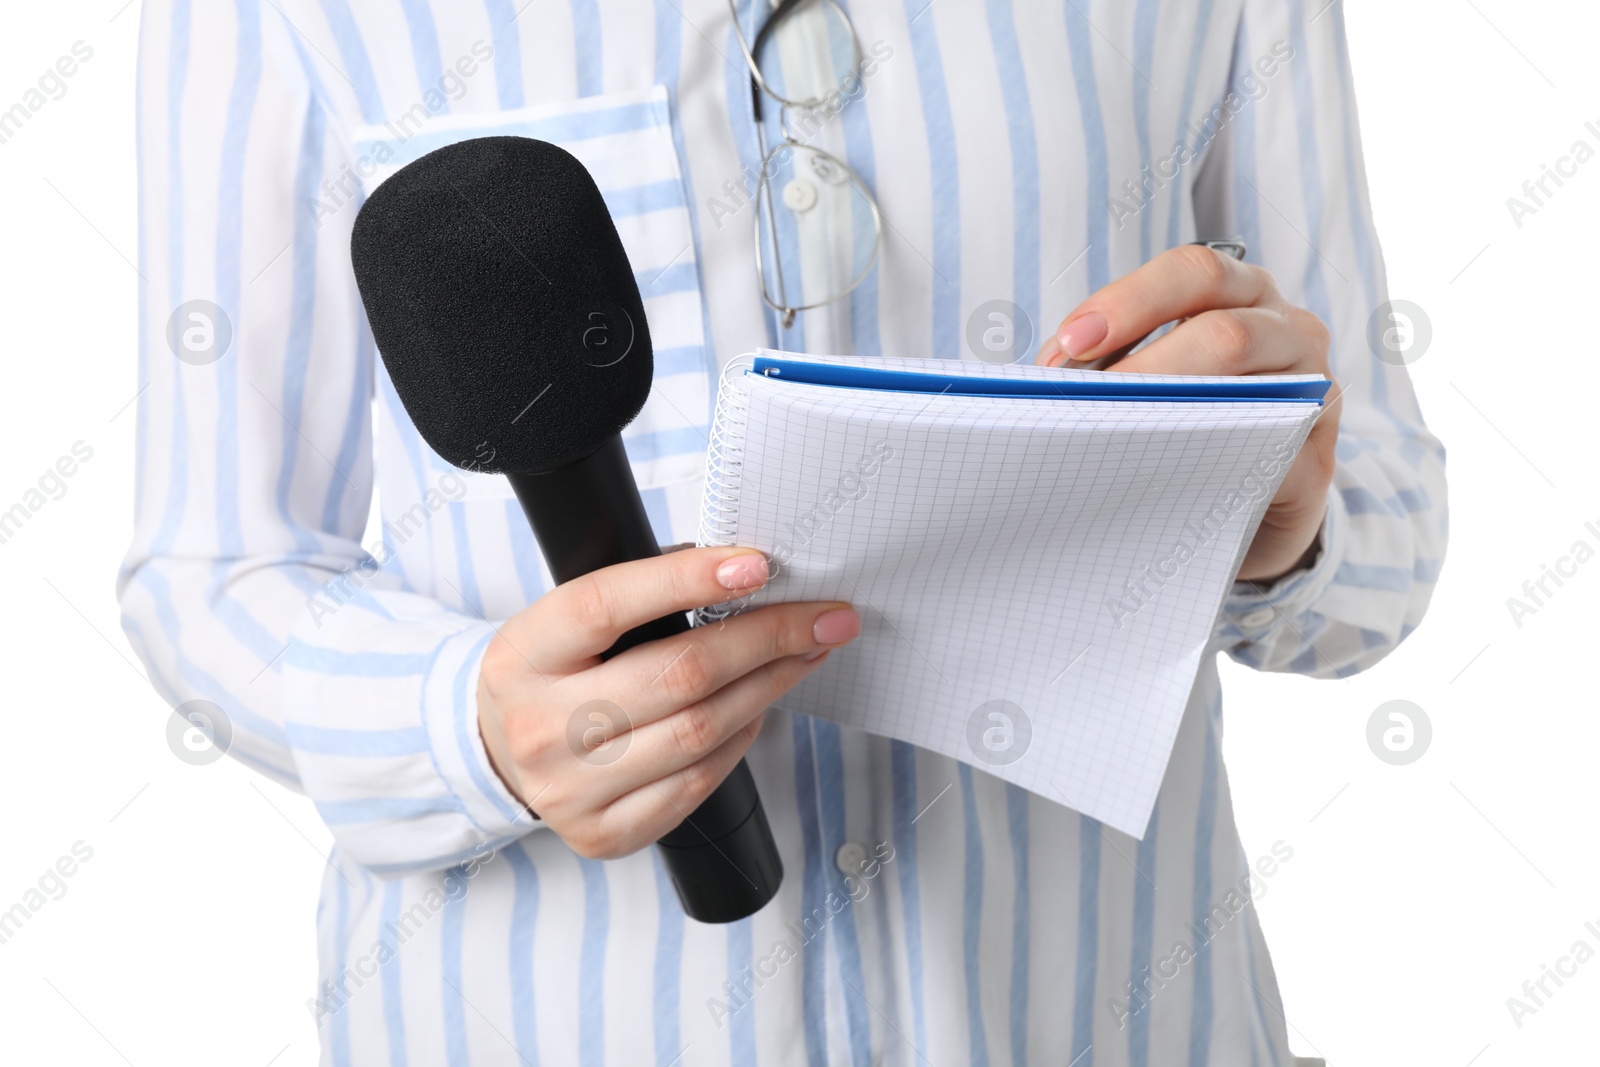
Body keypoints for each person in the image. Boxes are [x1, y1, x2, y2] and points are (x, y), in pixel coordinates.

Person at [119, 0, 1445, 1064]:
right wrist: (462, 726)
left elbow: (1383, 510)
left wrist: (1274, 526)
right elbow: (212, 566)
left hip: (1110, 1013)